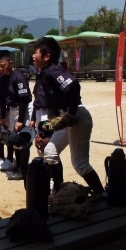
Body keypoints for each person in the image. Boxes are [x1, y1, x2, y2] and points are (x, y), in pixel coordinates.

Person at [32, 36, 104, 195]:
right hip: (65, 117)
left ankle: (100, 193)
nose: (33, 55)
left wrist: (71, 113)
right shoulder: (44, 73)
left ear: (46, 56)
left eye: (36, 52)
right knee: (50, 152)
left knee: (79, 163)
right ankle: (58, 191)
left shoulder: (52, 70)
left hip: (77, 116)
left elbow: (73, 85)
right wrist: (45, 134)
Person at [0, 49, 32, 181]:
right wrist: (2, 116)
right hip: (12, 110)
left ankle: (23, 170)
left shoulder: (19, 77)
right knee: (14, 140)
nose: (1, 68)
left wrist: (20, 120)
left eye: (3, 65)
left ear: (10, 63)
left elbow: (23, 99)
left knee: (22, 140)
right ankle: (18, 166)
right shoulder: (2, 79)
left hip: (23, 109)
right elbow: (2, 98)